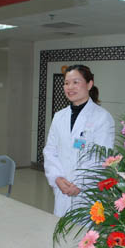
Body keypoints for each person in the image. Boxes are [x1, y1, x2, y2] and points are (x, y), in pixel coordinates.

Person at [43, 65, 115, 217]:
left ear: (89, 84)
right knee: (61, 227)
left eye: (76, 82)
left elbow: (101, 157)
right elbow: (50, 151)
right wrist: (57, 178)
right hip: (62, 188)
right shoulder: (59, 117)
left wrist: (79, 184)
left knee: (85, 230)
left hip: (87, 192)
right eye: (66, 83)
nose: (70, 87)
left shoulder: (102, 117)